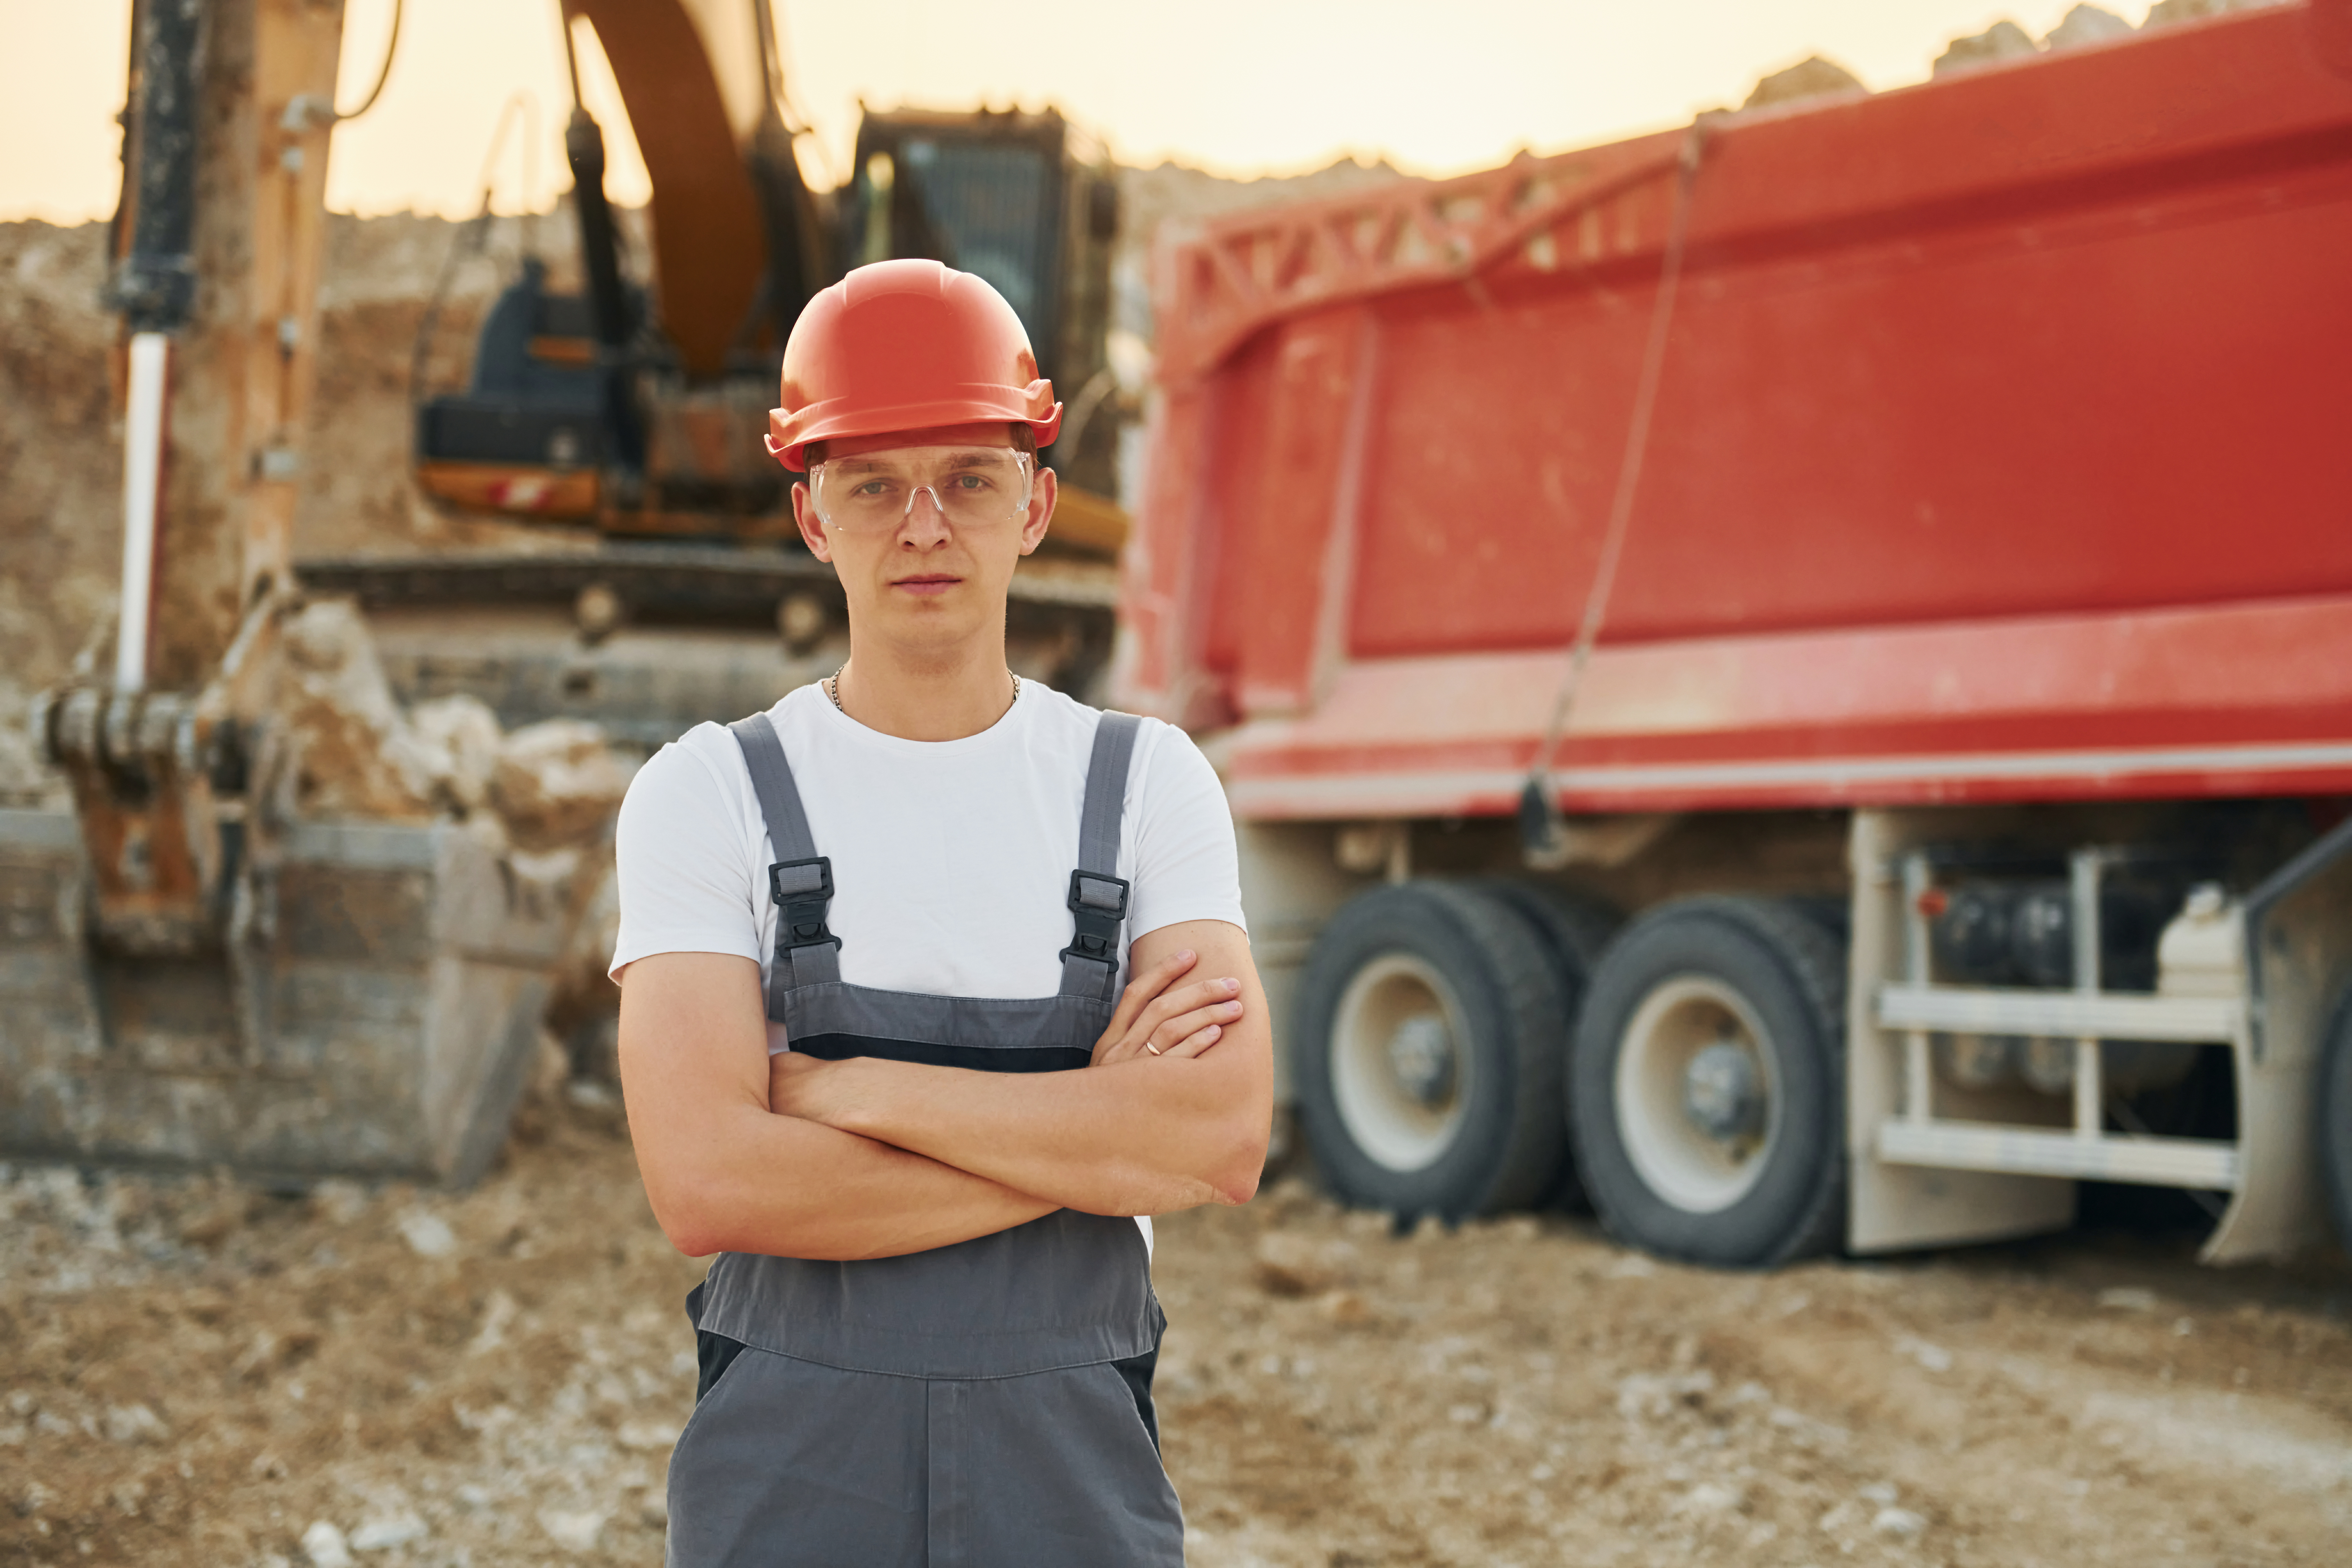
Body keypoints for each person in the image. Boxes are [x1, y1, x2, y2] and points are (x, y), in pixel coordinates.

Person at [609, 258, 1272, 1566]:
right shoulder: (712, 791)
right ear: (812, 514)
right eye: (872, 484)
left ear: (1036, 504)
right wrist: (1093, 1133)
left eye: (970, 477)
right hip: (791, 1482)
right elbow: (705, 1179)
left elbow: (1216, 1140)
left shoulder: (1144, 786)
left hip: (1068, 1476)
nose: (924, 527)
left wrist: (851, 1093)